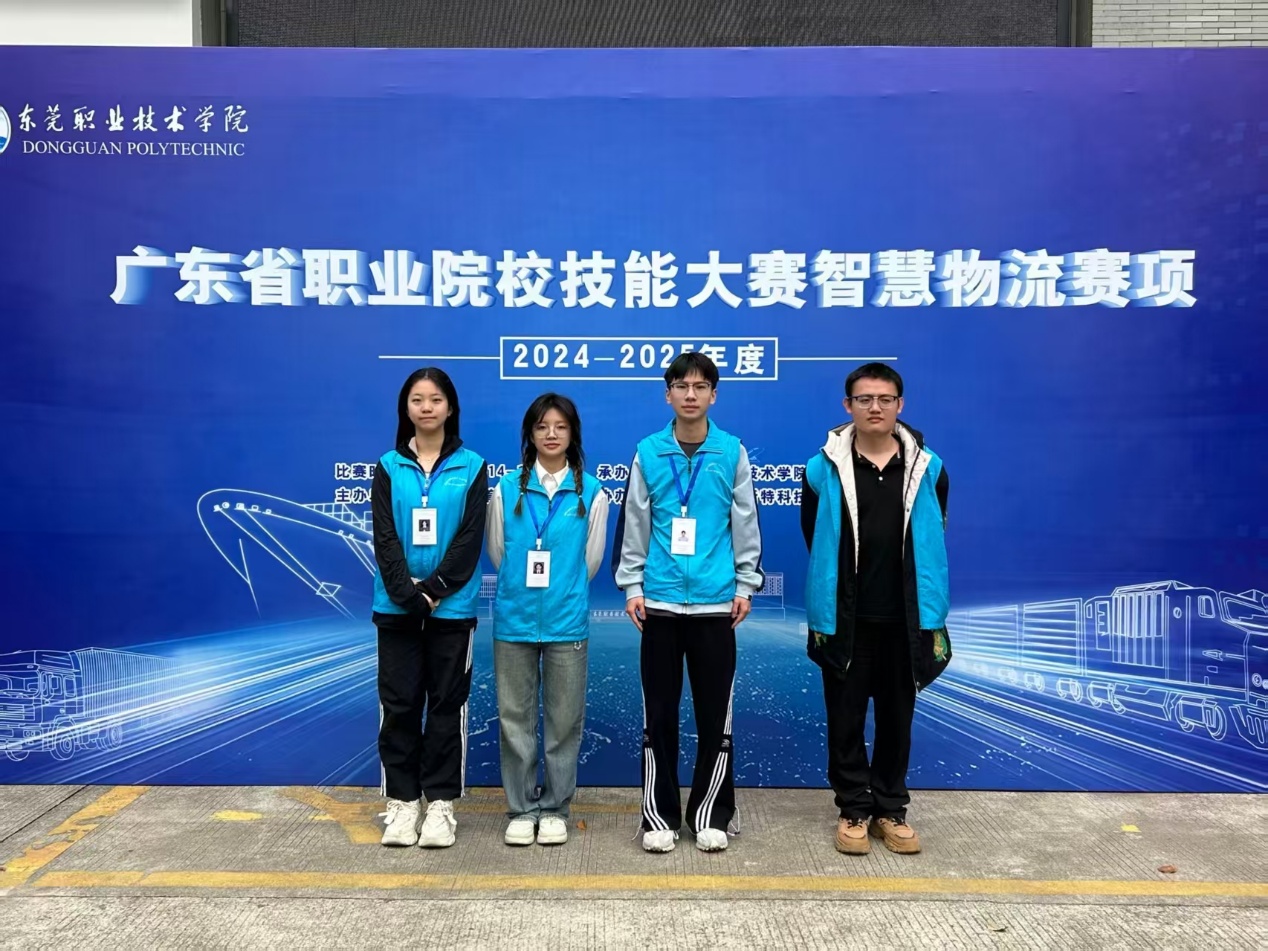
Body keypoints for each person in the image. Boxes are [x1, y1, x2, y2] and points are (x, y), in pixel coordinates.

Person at [613, 351, 763, 853]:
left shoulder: (731, 452)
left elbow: (745, 523)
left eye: (701, 387)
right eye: (682, 386)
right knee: (658, 715)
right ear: (668, 394)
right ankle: (658, 816)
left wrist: (744, 586)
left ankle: (710, 814)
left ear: (714, 395)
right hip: (658, 603)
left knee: (715, 717)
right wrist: (633, 587)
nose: (691, 395)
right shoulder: (648, 452)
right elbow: (635, 523)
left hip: (715, 605)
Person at [800, 363, 950, 856]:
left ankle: (891, 809)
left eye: (885, 399)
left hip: (905, 617)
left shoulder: (929, 468)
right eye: (864, 399)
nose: (875, 407)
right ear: (848, 406)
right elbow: (814, 534)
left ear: (900, 405)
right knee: (844, 719)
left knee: (896, 718)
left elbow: (935, 533)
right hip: (846, 618)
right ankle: (853, 809)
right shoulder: (822, 467)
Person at [486, 393, 609, 847]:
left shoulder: (591, 492)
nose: (551, 435)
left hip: (566, 621)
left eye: (560, 426)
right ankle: (521, 809)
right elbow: (498, 553)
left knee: (564, 721)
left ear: (573, 433)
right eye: (542, 427)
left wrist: (562, 590)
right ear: (530, 434)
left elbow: (590, 561)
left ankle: (555, 808)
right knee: (514, 719)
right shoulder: (506, 489)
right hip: (514, 620)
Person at [372, 367, 487, 849]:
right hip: (396, 608)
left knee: (445, 706)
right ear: (406, 408)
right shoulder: (388, 466)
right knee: (399, 705)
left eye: (435, 399)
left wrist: (434, 589)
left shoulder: (472, 466)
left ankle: (440, 803)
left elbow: (469, 539)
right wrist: (408, 595)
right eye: (417, 399)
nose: (426, 407)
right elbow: (384, 538)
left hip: (451, 609)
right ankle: (402, 803)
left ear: (450, 407)